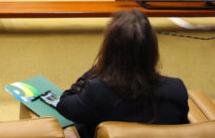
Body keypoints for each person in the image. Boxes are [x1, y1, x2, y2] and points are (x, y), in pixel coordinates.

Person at [57, 9, 188, 138]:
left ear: (109, 49)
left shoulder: (98, 91)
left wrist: (99, 67)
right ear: (152, 49)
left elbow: (64, 103)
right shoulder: (177, 90)